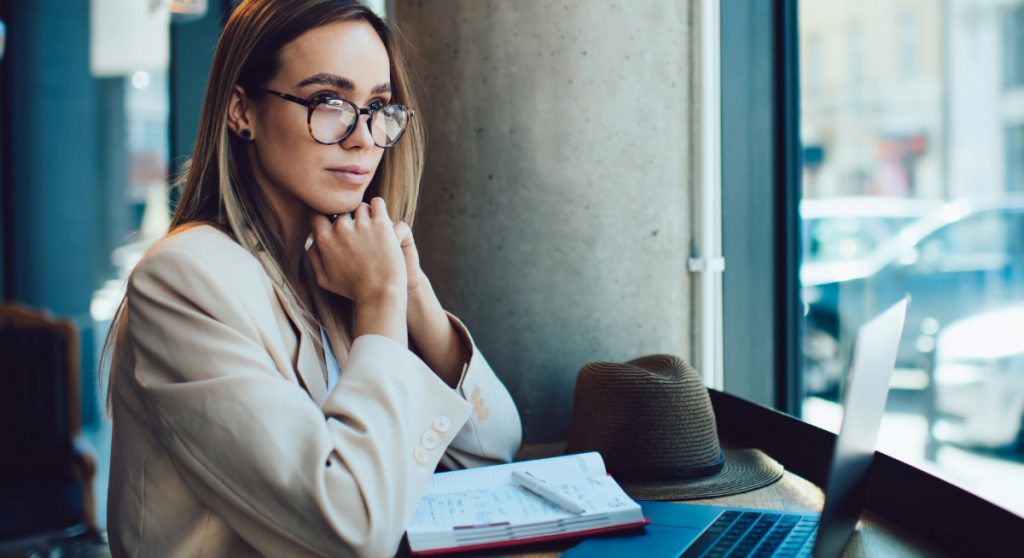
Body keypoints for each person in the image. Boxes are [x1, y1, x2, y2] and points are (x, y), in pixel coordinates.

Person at [103, 1, 522, 556]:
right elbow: (352, 529)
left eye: (377, 105)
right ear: (242, 111)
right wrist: (379, 304)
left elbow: (494, 448)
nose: (362, 137)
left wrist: (412, 295)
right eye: (329, 101)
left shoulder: (333, 265)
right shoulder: (185, 277)